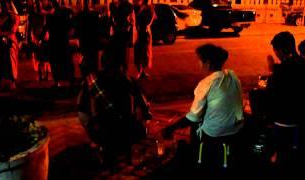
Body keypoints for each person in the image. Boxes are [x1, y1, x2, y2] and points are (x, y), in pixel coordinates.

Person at [162, 44, 243, 173]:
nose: (198, 63)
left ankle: (197, 158)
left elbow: (193, 116)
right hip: (236, 127)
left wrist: (171, 128)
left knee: (195, 124)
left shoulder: (206, 83)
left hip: (216, 132)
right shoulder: (233, 77)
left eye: (199, 60)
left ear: (207, 63)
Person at [77, 45, 153, 168]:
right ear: (121, 65)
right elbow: (145, 109)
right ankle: (121, 147)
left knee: (86, 112)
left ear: (103, 64)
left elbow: (81, 109)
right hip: (127, 131)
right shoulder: (129, 81)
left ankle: (103, 145)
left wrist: (91, 125)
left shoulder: (92, 80)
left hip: (101, 132)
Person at [266, 32, 305, 169]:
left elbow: (271, 96)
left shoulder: (280, 71)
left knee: (281, 156)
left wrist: (271, 70)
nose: (276, 54)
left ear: (282, 50)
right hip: (301, 119)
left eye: (276, 51)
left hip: (284, 121)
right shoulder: (303, 63)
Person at [0, 0, 20, 91]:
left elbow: (14, 26)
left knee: (11, 63)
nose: (2, 5)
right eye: (0, 3)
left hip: (10, 42)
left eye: (4, 3)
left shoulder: (12, 15)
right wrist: (1, 34)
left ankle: (12, 82)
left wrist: (7, 35)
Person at [43, 0, 75, 87]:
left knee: (61, 61)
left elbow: (46, 27)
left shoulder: (57, 14)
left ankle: (64, 80)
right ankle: (62, 80)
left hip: (58, 41)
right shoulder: (54, 15)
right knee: (60, 61)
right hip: (59, 41)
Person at [74, 0, 100, 78]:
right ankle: (93, 82)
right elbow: (98, 29)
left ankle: (85, 80)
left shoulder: (79, 15)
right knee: (93, 63)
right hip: (92, 42)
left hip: (84, 42)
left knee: (85, 63)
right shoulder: (95, 15)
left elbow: (77, 30)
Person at [109, 0, 134, 73]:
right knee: (122, 52)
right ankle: (122, 69)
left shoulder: (124, 6)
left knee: (122, 52)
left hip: (121, 31)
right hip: (120, 31)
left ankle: (122, 69)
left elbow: (130, 20)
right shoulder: (116, 5)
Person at [133, 0, 155, 80]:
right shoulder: (136, 7)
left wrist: (148, 25)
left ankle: (143, 71)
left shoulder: (148, 8)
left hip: (145, 32)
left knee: (145, 52)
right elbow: (133, 18)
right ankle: (140, 71)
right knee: (138, 52)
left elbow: (153, 17)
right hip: (138, 32)